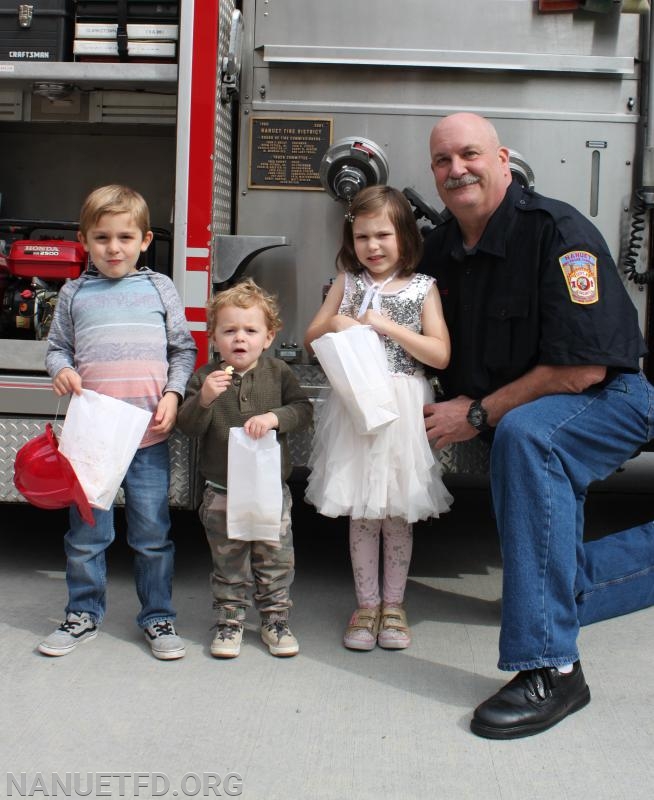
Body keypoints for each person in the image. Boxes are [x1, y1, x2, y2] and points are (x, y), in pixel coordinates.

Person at [421, 111, 654, 739]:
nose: (456, 169)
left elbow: (580, 371)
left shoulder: (558, 232)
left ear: (503, 161)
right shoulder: (441, 246)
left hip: (609, 396)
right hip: (527, 400)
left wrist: (477, 412)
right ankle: (546, 604)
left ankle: (553, 666)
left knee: (527, 437)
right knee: (545, 571)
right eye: (442, 160)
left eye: (469, 154)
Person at [39, 184, 197, 660]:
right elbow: (57, 349)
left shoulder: (158, 288)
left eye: (125, 237)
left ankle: (158, 617)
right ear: (85, 241)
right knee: (88, 535)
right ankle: (83, 613)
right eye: (102, 237)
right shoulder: (74, 293)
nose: (114, 248)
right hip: (93, 441)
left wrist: (174, 393)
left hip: (147, 436)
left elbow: (182, 349)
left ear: (145, 240)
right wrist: (61, 369)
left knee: (152, 534)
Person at [304, 185, 452, 652]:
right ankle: (365, 605)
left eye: (383, 235)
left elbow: (441, 354)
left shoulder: (423, 288)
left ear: (405, 236)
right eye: (363, 236)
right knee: (363, 511)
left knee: (395, 511)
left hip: (402, 407)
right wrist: (338, 322)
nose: (372, 246)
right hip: (355, 407)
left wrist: (387, 326)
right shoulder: (347, 282)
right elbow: (311, 335)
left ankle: (394, 605)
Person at [177, 279, 312, 659]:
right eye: (229, 330)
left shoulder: (278, 374)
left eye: (250, 331)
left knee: (275, 555)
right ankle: (230, 619)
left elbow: (304, 411)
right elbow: (187, 427)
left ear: (268, 337)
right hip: (221, 489)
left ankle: (275, 618)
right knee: (228, 557)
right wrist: (203, 400)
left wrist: (274, 417)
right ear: (214, 337)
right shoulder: (206, 378)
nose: (240, 339)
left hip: (270, 489)